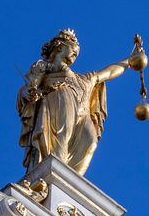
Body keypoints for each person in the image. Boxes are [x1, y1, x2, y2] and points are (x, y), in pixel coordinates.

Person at [16, 30, 139, 174]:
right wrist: (29, 93)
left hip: (83, 111)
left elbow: (108, 73)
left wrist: (130, 60)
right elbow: (30, 86)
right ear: (60, 47)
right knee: (61, 138)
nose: (75, 54)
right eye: (73, 50)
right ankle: (53, 177)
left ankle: (69, 181)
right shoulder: (44, 67)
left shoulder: (84, 79)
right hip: (60, 101)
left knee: (90, 142)